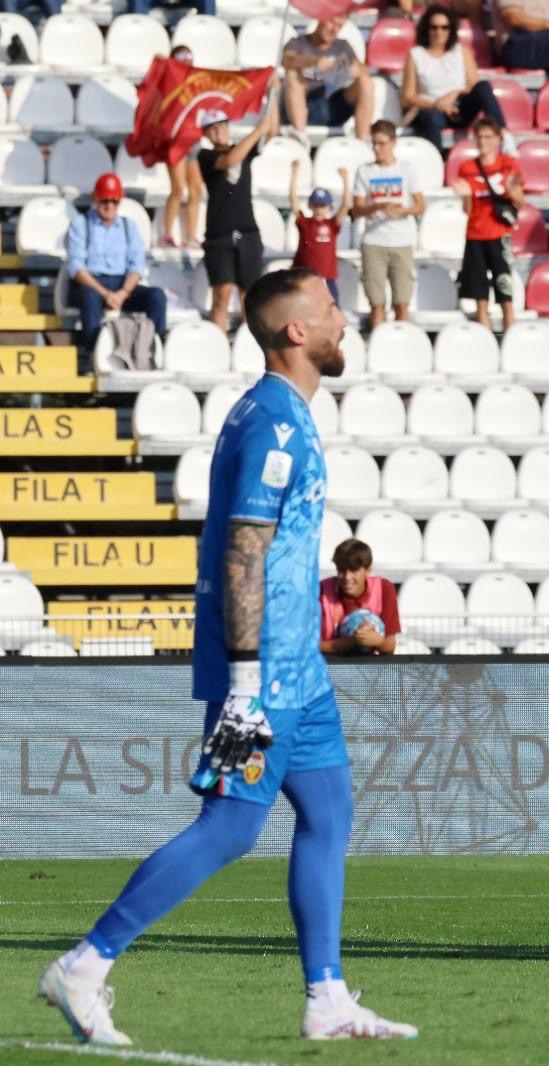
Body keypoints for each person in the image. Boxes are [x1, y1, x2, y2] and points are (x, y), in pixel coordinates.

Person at [37, 269, 416, 1047]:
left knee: (330, 812)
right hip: (268, 671)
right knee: (233, 827)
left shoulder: (286, 414)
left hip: (298, 672)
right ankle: (84, 964)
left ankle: (328, 998)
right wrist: (244, 683)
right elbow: (244, 550)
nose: (346, 319)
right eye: (331, 309)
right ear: (296, 333)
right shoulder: (274, 423)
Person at [198, 103, 278, 332]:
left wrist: (272, 100)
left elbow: (271, 131)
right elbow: (229, 161)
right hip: (219, 234)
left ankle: (248, 346)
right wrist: (256, 131)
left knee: (249, 296)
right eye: (212, 129)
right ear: (206, 134)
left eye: (221, 126)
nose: (218, 132)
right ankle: (218, 346)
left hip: (247, 231)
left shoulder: (243, 148)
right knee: (221, 295)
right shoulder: (207, 156)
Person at [66, 174, 167, 348]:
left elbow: (136, 267)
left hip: (122, 284)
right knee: (90, 298)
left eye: (114, 201)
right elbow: (77, 268)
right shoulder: (81, 224)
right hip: (92, 283)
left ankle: (154, 347)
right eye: (105, 201)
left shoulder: (129, 226)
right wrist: (105, 293)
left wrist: (122, 293)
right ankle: (93, 351)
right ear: (95, 199)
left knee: (156, 296)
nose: (109, 206)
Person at [402, 6, 509, 156]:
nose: (439, 32)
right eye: (434, 27)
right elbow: (408, 97)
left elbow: (473, 84)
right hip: (432, 110)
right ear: (426, 29)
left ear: (451, 29)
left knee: (483, 87)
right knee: (432, 119)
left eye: (444, 27)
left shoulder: (461, 51)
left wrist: (453, 94)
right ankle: (437, 163)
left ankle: (504, 135)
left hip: (459, 108)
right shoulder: (415, 55)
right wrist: (437, 104)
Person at [449, 119, 524, 331]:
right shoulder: (467, 167)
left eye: (488, 137)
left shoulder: (508, 164)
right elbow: (467, 210)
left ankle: (510, 336)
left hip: (498, 233)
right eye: (479, 137)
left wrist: (511, 189)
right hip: (475, 234)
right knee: (480, 294)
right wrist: (466, 196)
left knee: (505, 291)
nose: (483, 141)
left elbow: (520, 200)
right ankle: (486, 338)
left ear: (498, 139)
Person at [352, 121, 425, 327]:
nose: (377, 148)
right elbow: (356, 209)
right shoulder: (364, 171)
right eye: (374, 143)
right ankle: (378, 344)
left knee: (402, 303)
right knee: (377, 304)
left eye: (382, 143)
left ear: (393, 143)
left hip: (401, 241)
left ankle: (402, 346)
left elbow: (420, 205)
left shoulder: (407, 169)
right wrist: (377, 207)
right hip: (374, 241)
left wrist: (403, 210)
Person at [282, 15, 375, 143]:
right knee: (292, 76)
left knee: (366, 81)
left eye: (339, 26)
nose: (334, 30)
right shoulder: (298, 43)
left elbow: (362, 70)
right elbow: (287, 60)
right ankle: (300, 137)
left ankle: (363, 141)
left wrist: (348, 69)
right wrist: (314, 62)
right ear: (321, 20)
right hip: (308, 103)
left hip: (335, 103)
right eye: (332, 24)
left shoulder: (343, 46)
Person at [319, 538, 400, 656]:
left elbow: (389, 647)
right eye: (341, 570)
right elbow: (311, 646)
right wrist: (352, 641)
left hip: (372, 669)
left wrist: (377, 640)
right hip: (331, 668)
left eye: (354, 570)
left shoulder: (384, 589)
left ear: (367, 570)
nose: (347, 577)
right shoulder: (322, 590)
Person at [288, 161, 351, 306]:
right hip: (305, 277)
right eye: (316, 205)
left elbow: (346, 204)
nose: (319, 209)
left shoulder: (332, 224)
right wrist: (295, 174)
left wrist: (346, 180)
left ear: (329, 207)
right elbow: (293, 201)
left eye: (322, 205)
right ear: (310, 205)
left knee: (333, 310)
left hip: (327, 277)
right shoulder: (305, 223)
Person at [161, 45, 205, 249]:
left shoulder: (195, 84)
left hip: (192, 138)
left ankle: (190, 236)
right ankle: (167, 233)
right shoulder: (167, 84)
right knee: (178, 188)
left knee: (196, 189)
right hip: (176, 141)